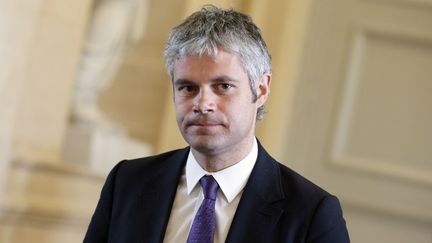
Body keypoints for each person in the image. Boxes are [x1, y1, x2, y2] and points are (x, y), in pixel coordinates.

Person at [84, 5, 350, 243]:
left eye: (223, 86)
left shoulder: (312, 214)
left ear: (261, 89)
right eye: (187, 87)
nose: (202, 104)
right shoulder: (127, 183)